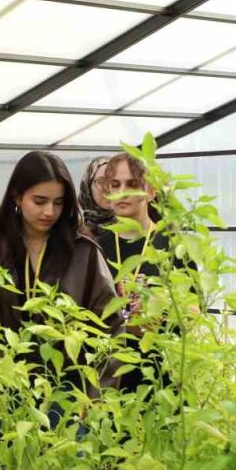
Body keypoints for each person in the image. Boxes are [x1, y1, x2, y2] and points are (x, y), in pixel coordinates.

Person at [0, 150, 120, 371]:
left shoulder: (82, 250)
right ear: (17, 196)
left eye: (58, 202)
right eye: (39, 201)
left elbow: (110, 323)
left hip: (69, 387)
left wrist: (95, 396)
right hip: (7, 387)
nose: (49, 211)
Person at [90, 152, 188, 391]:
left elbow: (193, 310)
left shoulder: (174, 244)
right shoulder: (94, 247)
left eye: (133, 184)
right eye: (116, 184)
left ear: (151, 191)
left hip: (161, 378)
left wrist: (162, 309)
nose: (123, 191)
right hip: (108, 381)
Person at [77, 156, 115, 238]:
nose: (108, 189)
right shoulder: (74, 232)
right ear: (87, 188)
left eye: (114, 182)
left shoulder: (131, 230)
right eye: (101, 182)